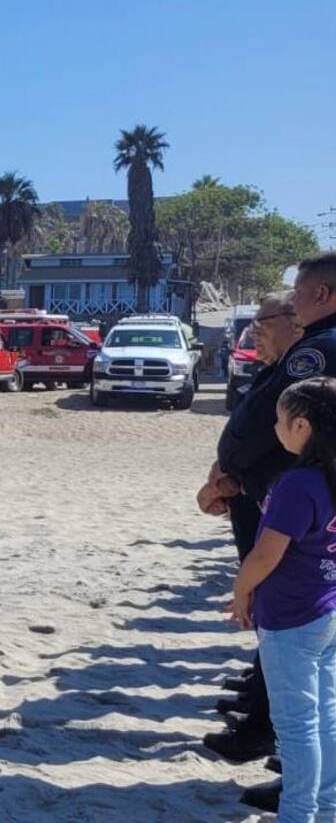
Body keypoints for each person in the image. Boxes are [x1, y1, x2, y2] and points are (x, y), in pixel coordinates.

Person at [202, 256, 336, 782]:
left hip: (288, 507)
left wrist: (233, 472)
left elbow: (274, 421)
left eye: (298, 294)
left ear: (322, 294)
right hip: (274, 496)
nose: (294, 306)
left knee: (298, 663)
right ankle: (291, 757)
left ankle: (294, 776)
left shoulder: (321, 348)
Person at [228, 377, 336, 823]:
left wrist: (241, 590)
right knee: (325, 717)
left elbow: (265, 555)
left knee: (296, 727)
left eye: (279, 420)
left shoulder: (299, 484)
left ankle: (298, 814)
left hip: (291, 617)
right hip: (326, 610)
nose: (275, 428)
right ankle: (326, 809)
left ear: (302, 426)